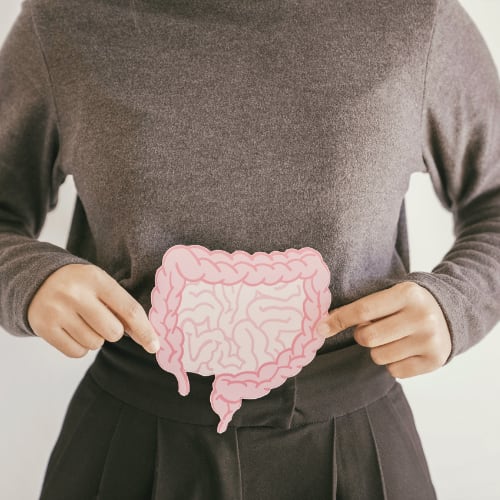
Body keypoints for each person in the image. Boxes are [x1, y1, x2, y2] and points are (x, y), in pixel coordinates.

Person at [1, 0, 499, 498]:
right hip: (132, 443)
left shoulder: (417, 19)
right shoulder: (64, 20)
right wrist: (27, 277)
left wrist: (458, 301)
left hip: (357, 446)